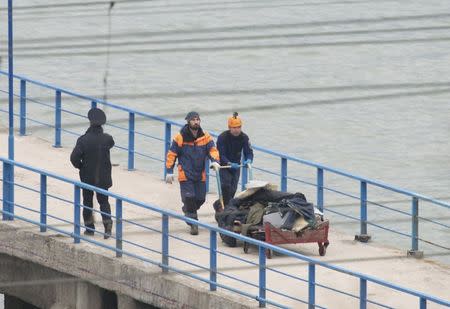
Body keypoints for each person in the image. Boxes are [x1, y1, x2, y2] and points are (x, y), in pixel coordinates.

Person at [165, 111, 220, 235]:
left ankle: (187, 210)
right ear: (188, 121)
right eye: (193, 119)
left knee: (200, 198)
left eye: (197, 119)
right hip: (185, 173)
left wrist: (215, 161)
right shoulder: (180, 137)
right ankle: (193, 224)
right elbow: (172, 154)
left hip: (200, 173)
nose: (196, 122)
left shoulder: (205, 136)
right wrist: (169, 171)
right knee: (190, 197)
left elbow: (212, 149)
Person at [70, 107, 115, 239]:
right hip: (103, 177)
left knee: (88, 202)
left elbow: (74, 158)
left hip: (87, 176)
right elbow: (111, 143)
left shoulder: (83, 140)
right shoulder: (107, 139)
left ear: (90, 122)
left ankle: (89, 229)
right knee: (104, 202)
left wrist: (81, 167)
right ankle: (107, 227)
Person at [216, 112, 254, 207]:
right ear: (229, 128)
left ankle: (224, 206)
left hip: (236, 166)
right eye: (234, 128)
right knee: (226, 186)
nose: (237, 130)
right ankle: (226, 208)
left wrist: (249, 159)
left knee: (233, 190)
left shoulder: (244, 137)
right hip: (225, 165)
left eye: (238, 127)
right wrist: (229, 163)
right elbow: (221, 155)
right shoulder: (222, 137)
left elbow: (249, 152)